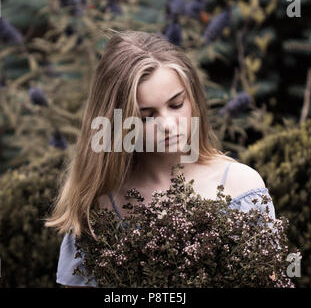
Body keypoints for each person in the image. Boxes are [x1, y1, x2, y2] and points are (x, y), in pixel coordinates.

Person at [44, 30, 276, 287]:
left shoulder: (240, 186)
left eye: (176, 105)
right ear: (119, 122)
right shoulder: (99, 205)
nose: (167, 124)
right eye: (146, 116)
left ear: (194, 99)